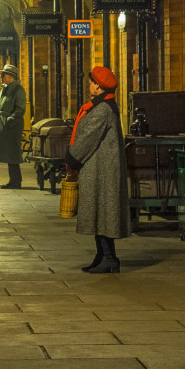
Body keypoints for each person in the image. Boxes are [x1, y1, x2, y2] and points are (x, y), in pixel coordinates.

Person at [65, 66, 130, 273]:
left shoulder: (102, 110)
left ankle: (109, 258)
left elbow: (87, 138)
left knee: (102, 212)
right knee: (100, 213)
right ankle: (103, 256)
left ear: (99, 86)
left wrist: (71, 157)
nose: (90, 85)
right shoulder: (103, 106)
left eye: (92, 82)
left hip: (103, 171)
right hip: (99, 167)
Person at [0, 63, 26, 188]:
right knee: (8, 153)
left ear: (11, 76)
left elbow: (20, 108)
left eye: (4, 75)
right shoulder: (4, 89)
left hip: (12, 126)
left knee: (12, 153)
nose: (1, 77)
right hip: (2, 124)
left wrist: (9, 120)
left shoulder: (18, 89)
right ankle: (14, 180)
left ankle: (15, 181)